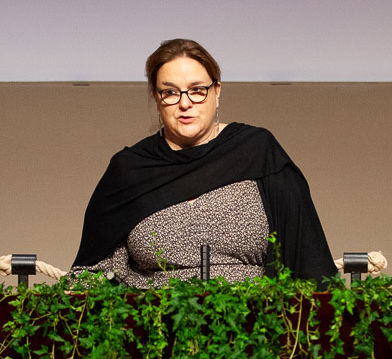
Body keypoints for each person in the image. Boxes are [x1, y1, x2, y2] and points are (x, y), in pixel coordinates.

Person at [69, 39, 337, 289]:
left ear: (217, 91)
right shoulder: (129, 170)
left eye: (197, 90)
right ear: (155, 96)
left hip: (256, 327)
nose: (185, 103)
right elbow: (93, 273)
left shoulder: (257, 150)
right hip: (153, 331)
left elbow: (308, 260)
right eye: (170, 92)